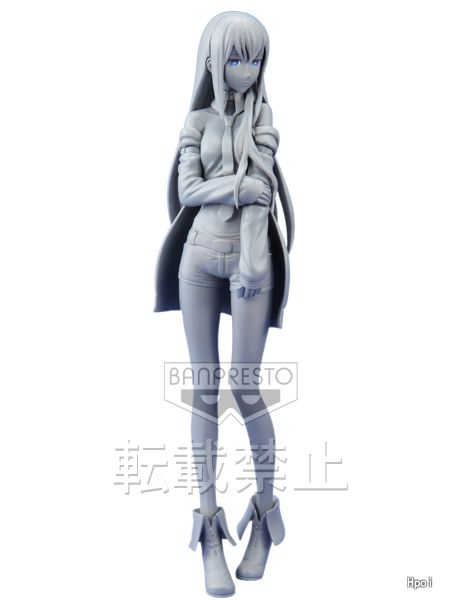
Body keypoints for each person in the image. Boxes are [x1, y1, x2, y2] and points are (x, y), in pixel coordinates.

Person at [154, 11, 294, 597]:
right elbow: (189, 189)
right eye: (236, 58)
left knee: (247, 386)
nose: (247, 69)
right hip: (197, 258)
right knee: (204, 387)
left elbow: (267, 190)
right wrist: (238, 186)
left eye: (256, 59)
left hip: (249, 262)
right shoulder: (197, 121)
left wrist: (252, 186)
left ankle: (264, 511)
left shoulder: (263, 120)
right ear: (214, 60)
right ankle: (209, 527)